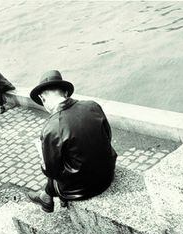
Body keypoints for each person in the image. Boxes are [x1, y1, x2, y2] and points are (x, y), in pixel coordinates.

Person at [27, 70, 117, 212]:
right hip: (108, 175)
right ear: (66, 93)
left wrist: (42, 154)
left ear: (42, 98)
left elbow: (52, 172)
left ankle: (47, 197)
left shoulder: (51, 127)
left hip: (81, 190)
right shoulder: (93, 106)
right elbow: (108, 137)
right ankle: (46, 197)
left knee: (55, 161)